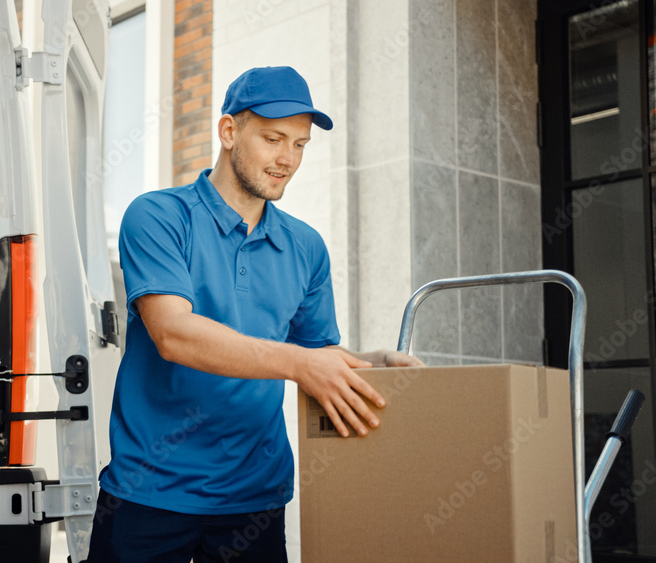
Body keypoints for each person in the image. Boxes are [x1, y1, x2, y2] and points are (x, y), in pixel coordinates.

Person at [86, 66, 423, 562]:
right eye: (272, 138)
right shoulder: (158, 216)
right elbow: (174, 334)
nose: (287, 159)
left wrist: (373, 363)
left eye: (300, 145)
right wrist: (302, 365)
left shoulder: (306, 247)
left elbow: (315, 355)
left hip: (254, 502)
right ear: (228, 132)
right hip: (149, 493)